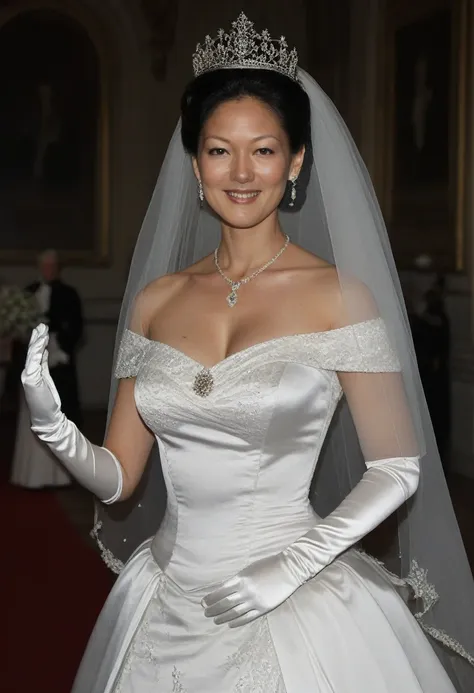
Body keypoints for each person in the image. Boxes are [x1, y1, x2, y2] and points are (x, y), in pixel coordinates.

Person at [21, 13, 474, 692]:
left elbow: (398, 466)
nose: (240, 172)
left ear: (294, 162)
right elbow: (119, 479)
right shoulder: (155, 301)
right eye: (217, 150)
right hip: (164, 595)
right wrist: (54, 426)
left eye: (262, 150)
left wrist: (292, 566)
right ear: (194, 160)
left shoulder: (339, 295)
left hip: (297, 592)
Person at [11, 249, 82, 488]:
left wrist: (58, 340)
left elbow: (77, 329)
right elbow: (17, 329)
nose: (48, 270)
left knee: (56, 413)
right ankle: (28, 474)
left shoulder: (69, 294)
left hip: (57, 365)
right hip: (31, 361)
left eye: (52, 266)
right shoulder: (27, 293)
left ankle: (58, 474)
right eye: (45, 266)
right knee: (30, 412)